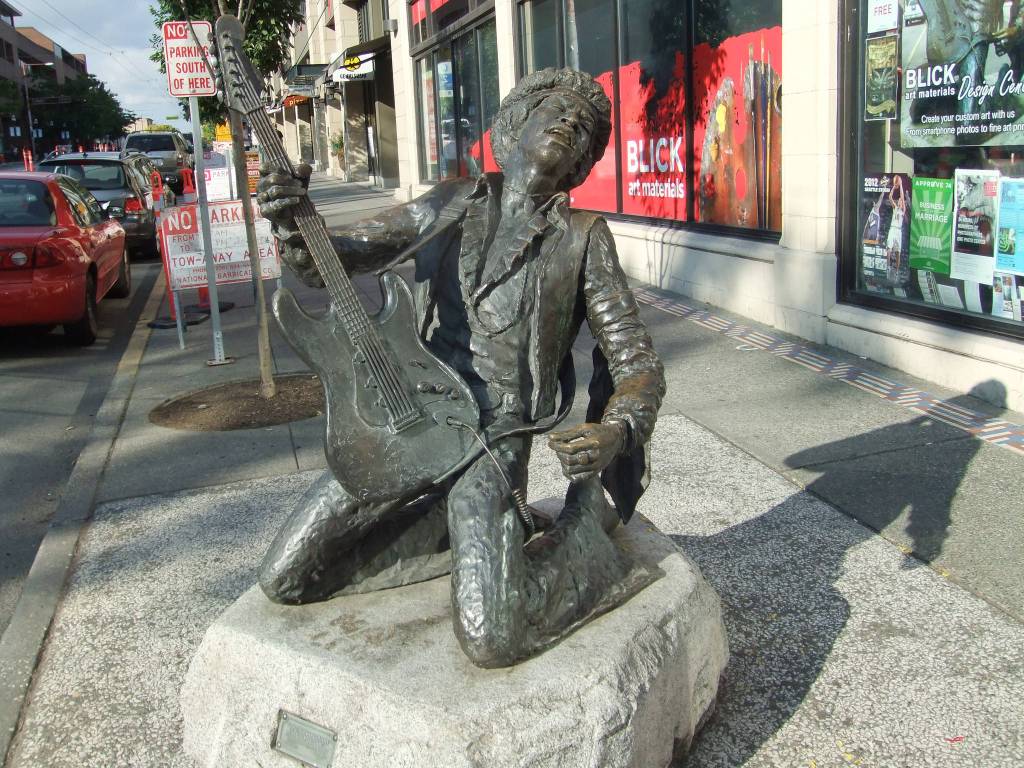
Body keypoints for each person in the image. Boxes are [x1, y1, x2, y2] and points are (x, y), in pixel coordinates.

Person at [256, 68, 666, 668]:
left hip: (495, 439)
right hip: (416, 419)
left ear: (581, 163)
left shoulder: (584, 238)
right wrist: (294, 221)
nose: (566, 126)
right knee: (286, 576)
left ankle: (581, 546)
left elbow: (637, 360)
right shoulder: (453, 202)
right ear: (516, 123)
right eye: (554, 111)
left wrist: (616, 431)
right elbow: (335, 259)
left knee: (491, 636)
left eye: (581, 130)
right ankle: (449, 534)